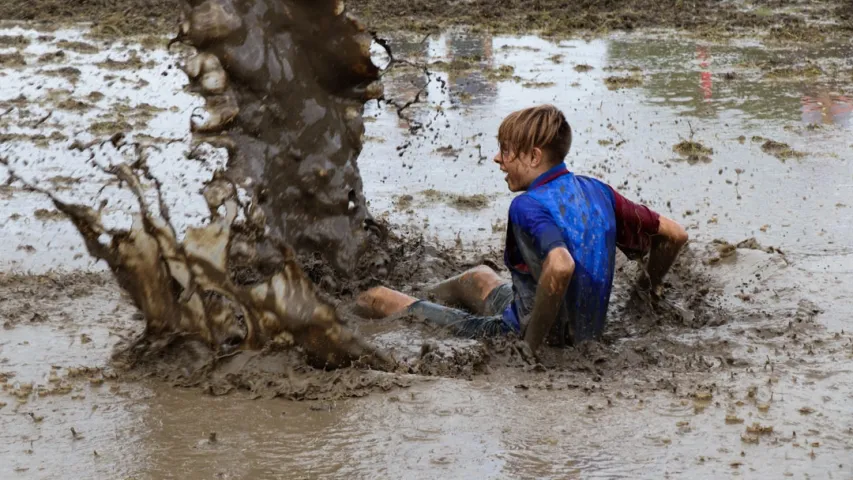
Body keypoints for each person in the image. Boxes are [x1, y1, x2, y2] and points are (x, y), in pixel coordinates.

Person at [356, 104, 688, 354]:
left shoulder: (527, 206)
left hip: (517, 334)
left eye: (505, 150)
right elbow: (675, 235)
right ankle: (426, 298)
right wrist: (645, 294)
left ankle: (399, 310)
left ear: (532, 156)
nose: (497, 159)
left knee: (375, 298)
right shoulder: (599, 191)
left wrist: (528, 349)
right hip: (586, 332)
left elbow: (561, 266)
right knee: (480, 276)